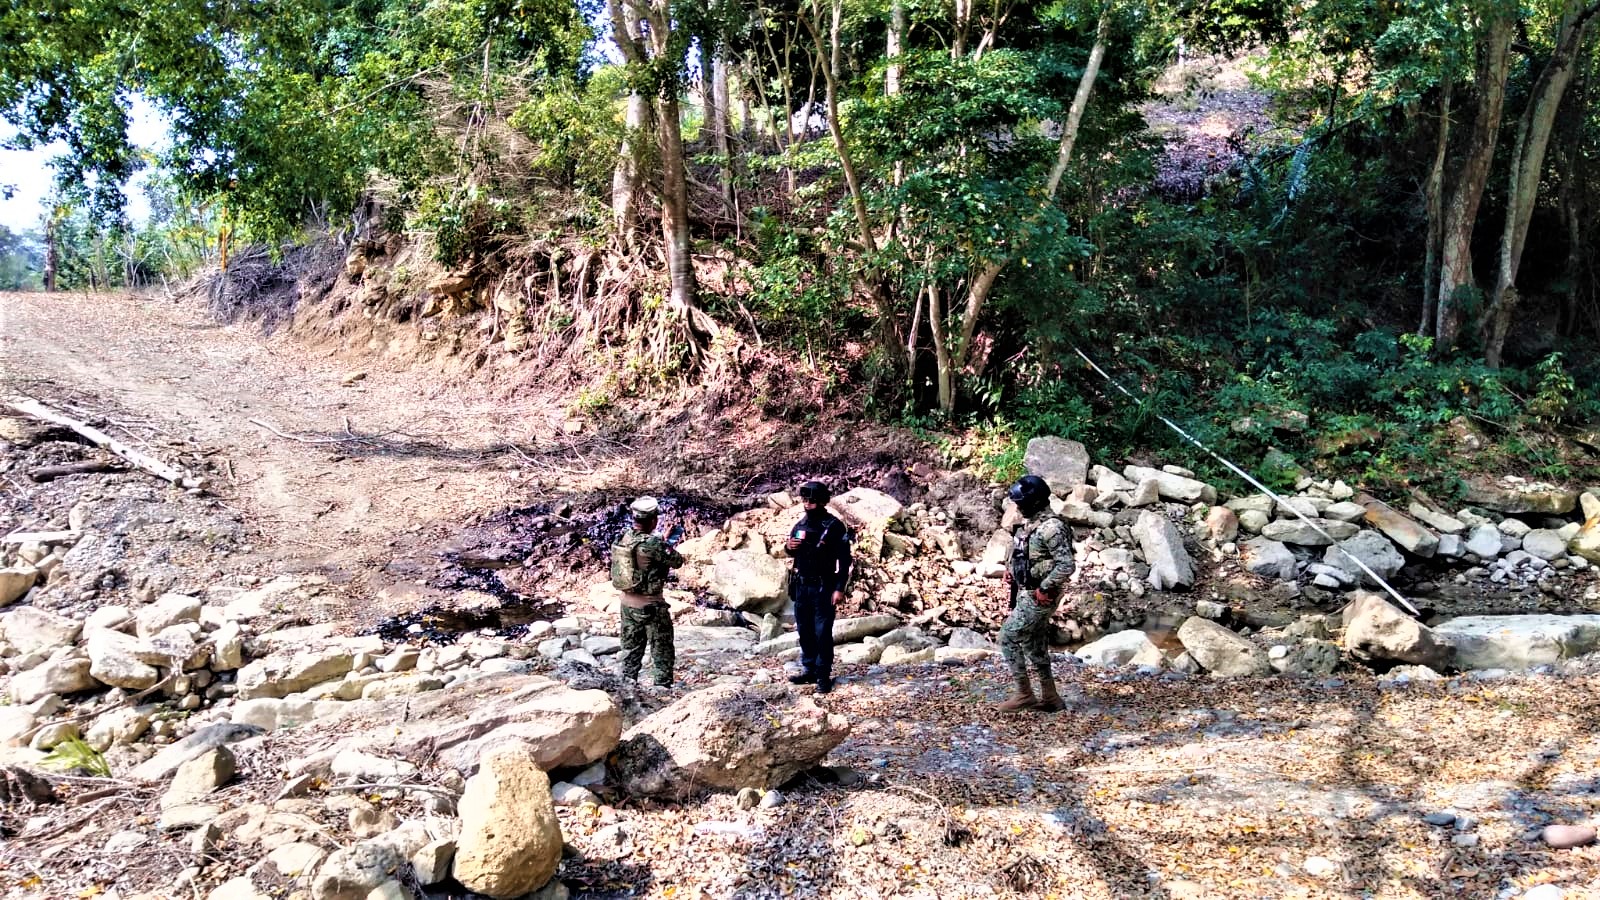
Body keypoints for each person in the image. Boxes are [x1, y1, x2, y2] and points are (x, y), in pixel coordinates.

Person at [998, 475, 1076, 713]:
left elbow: (1066, 565)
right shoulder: (1031, 524)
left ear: (1035, 502)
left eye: (1021, 503)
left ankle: (1024, 695)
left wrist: (1044, 588)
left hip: (1039, 595)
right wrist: (1010, 571)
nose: (1018, 507)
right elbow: (1023, 552)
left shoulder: (1051, 528)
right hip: (1028, 591)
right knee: (1035, 644)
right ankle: (1051, 697)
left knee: (1008, 637)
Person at [784, 480, 853, 694]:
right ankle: (809, 669)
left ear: (822, 502)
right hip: (801, 586)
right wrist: (788, 547)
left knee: (822, 632)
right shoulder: (801, 525)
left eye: (812, 501)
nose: (807, 504)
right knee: (804, 631)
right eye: (804, 500)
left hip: (824, 587)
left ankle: (823, 675)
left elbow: (845, 560)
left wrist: (839, 588)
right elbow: (792, 552)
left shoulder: (834, 526)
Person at [610, 496, 684, 687]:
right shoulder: (653, 544)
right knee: (662, 649)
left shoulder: (623, 537)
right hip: (651, 606)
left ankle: (627, 686)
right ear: (653, 520)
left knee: (630, 649)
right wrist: (665, 543)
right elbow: (676, 560)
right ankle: (662, 689)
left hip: (627, 604)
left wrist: (660, 541)